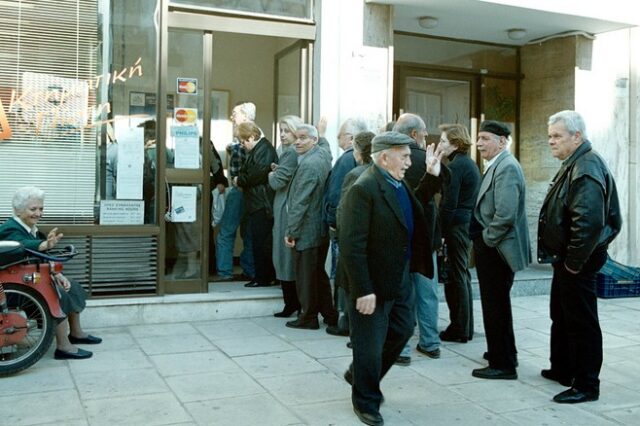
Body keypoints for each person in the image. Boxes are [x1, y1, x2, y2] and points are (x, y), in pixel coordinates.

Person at [340, 132, 433, 426]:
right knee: (368, 344)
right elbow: (351, 246)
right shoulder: (363, 188)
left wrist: (432, 177)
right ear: (384, 157)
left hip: (398, 277)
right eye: (404, 156)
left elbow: (411, 206)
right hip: (370, 283)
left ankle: (359, 375)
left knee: (403, 328)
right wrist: (363, 290)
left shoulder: (396, 182)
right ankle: (366, 401)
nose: (409, 162)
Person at [538, 110, 622, 403]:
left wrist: (573, 264)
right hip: (567, 259)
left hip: (578, 262)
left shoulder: (586, 167)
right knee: (561, 315)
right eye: (550, 136)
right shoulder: (574, 162)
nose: (551, 141)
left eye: (557, 136)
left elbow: (587, 223)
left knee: (581, 321)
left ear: (577, 137)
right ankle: (563, 368)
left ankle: (586, 384)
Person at [0, 186, 101, 360]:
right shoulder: (10, 229)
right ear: (18, 210)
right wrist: (43, 245)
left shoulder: (32, 229)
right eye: (33, 209)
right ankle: (63, 346)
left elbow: (43, 258)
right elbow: (21, 246)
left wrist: (58, 274)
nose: (38, 213)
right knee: (56, 293)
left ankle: (76, 333)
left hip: (30, 280)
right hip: (14, 287)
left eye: (41, 208)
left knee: (72, 286)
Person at [470, 120, 530, 380]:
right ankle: (504, 352)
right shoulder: (499, 165)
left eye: (485, 138)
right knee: (497, 305)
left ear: (502, 141)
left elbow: (505, 215)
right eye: (479, 138)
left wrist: (486, 239)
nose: (479, 143)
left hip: (497, 250)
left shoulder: (506, 167)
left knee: (496, 307)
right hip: (494, 249)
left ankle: (502, 364)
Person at [393, 113, 441, 363]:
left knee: (401, 294)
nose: (426, 138)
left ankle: (401, 349)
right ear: (414, 134)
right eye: (423, 133)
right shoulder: (426, 159)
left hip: (399, 239)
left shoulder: (389, 159)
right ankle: (430, 342)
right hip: (425, 238)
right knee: (426, 292)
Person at [284, 124, 337, 329]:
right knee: (317, 275)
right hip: (319, 229)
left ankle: (308, 317)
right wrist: (322, 134)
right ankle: (330, 314)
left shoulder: (309, 164)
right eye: (296, 137)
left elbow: (300, 202)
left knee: (306, 277)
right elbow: (327, 147)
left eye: (303, 138)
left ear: (313, 141)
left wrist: (291, 231)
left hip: (307, 229)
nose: (297, 141)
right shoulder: (323, 154)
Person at [436, 124, 481, 343]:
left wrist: (441, 232)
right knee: (460, 275)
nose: (440, 145)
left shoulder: (458, 165)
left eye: (444, 141)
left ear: (455, 143)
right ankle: (463, 326)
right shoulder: (464, 163)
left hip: (457, 227)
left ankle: (460, 328)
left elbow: (449, 205)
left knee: (458, 276)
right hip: (462, 225)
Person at [328, 131, 375, 337]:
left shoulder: (356, 175)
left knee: (348, 281)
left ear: (358, 151)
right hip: (371, 238)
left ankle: (348, 324)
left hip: (353, 237)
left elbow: (343, 209)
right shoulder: (377, 172)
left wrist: (337, 229)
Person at [214, 101, 256, 282]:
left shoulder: (242, 141)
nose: (232, 117)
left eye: (235, 113)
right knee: (248, 232)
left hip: (239, 191)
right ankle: (249, 270)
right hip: (252, 194)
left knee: (226, 232)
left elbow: (239, 171)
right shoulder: (255, 137)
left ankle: (224, 272)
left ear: (245, 117)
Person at [236, 122, 277, 288]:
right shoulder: (260, 150)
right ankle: (261, 276)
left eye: (243, 141)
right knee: (258, 241)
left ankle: (264, 278)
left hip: (262, 204)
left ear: (252, 137)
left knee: (262, 243)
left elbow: (254, 175)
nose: (242, 145)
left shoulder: (264, 150)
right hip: (258, 202)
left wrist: (240, 180)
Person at [269, 115, 303, 317]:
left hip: (286, 210)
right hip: (286, 207)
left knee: (284, 258)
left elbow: (277, 182)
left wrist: (272, 174)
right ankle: (293, 304)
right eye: (281, 130)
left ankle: (291, 304)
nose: (282, 135)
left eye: (287, 131)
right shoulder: (290, 152)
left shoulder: (290, 153)